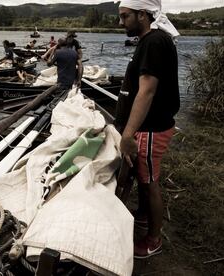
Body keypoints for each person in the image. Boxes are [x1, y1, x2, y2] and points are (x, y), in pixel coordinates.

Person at [115, 0, 180, 259]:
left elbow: (148, 90)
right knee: (143, 177)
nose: (121, 22)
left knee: (149, 182)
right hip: (148, 126)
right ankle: (142, 216)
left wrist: (128, 134)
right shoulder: (150, 40)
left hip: (151, 128)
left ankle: (154, 239)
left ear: (143, 14)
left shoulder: (153, 42)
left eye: (125, 16)